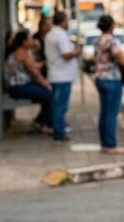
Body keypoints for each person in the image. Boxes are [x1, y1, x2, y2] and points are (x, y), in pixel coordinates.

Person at [5, 29, 53, 134]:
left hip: (17, 86)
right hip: (18, 87)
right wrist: (46, 84)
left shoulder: (20, 51)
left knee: (47, 94)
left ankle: (40, 121)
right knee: (49, 95)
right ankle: (44, 123)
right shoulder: (22, 53)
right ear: (24, 42)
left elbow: (33, 66)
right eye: (30, 38)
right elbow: (35, 73)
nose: (33, 40)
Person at [92, 15, 124, 155]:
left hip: (100, 78)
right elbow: (122, 60)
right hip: (111, 79)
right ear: (111, 26)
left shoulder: (98, 40)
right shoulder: (112, 41)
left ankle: (104, 144)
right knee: (111, 114)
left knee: (104, 113)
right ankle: (111, 145)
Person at [44, 11, 81, 143]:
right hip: (62, 76)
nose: (68, 23)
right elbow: (66, 54)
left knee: (57, 105)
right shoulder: (59, 34)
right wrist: (77, 52)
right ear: (63, 21)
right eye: (67, 21)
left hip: (56, 74)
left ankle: (57, 130)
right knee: (60, 106)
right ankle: (59, 133)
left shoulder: (50, 34)